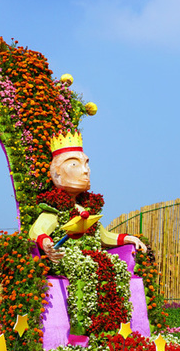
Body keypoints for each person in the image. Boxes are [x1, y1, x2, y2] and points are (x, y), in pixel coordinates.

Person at [28, 131, 146, 335]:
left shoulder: (86, 208)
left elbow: (103, 236)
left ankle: (116, 323)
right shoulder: (54, 209)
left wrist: (129, 238)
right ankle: (81, 326)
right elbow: (36, 230)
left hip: (89, 254)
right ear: (56, 173)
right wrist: (47, 245)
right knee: (85, 267)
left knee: (116, 266)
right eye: (74, 164)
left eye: (86, 164)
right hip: (66, 256)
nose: (85, 171)